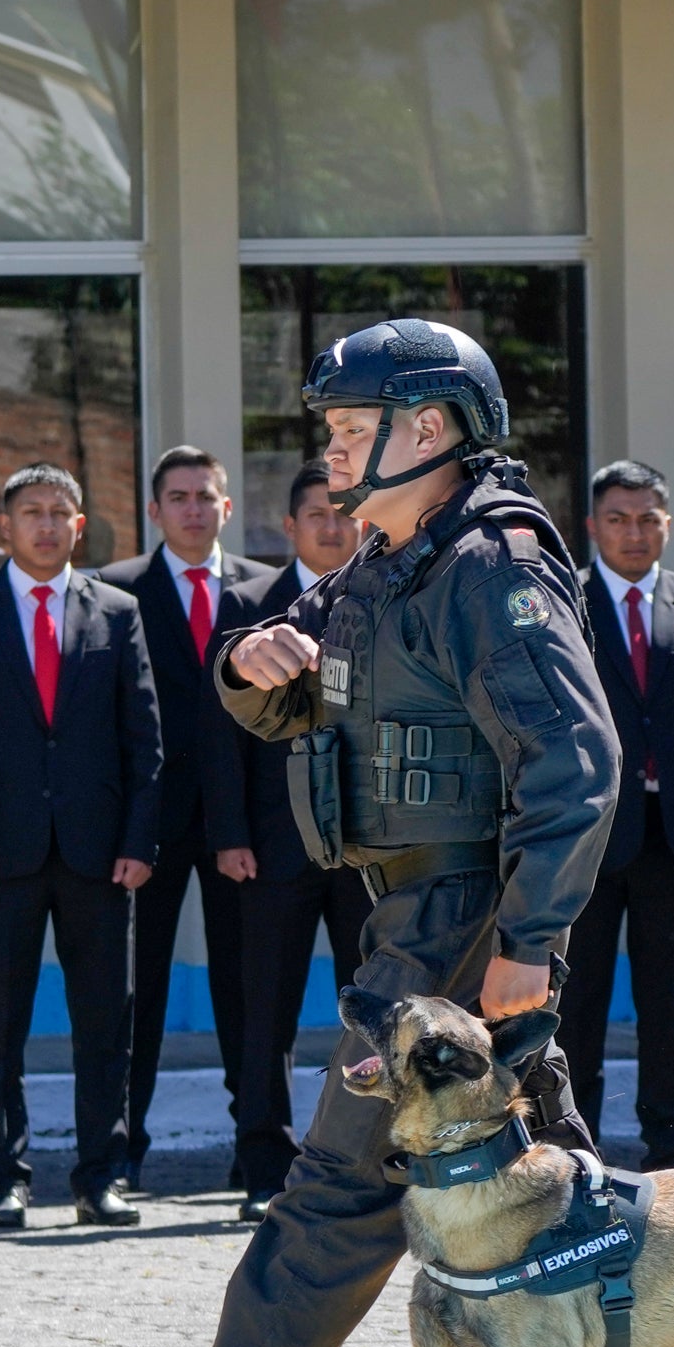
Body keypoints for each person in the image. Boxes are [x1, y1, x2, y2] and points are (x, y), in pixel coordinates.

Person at [33, 319, 674, 1347]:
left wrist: (525, 943)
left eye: (354, 427)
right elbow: (304, 685)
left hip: (452, 938)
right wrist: (251, 659)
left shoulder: (488, 566)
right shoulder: (389, 559)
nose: (332, 447)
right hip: (421, 922)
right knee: (565, 1210)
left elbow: (576, 761)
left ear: (434, 429)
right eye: (332, 428)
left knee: (330, 1208)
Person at [0, 464, 163, 1230]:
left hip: (100, 853)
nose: (48, 525)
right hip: (0, 855)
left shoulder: (118, 611)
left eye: (62, 512)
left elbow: (144, 740)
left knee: (106, 1024)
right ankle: (4, 1176)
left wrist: (139, 840)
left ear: (81, 525)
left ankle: (101, 1176)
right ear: (5, 525)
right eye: (33, 512)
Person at [557, 461, 674, 1167]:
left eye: (647, 519)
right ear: (592, 527)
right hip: (586, 840)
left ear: (669, 525)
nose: (633, 533)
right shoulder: (562, 602)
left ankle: (670, 1147)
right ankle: (573, 1147)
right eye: (618, 518)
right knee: (577, 1008)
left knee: (673, 1010)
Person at [99, 448, 271, 1195]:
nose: (194, 508)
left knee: (246, 988)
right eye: (179, 497)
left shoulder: (266, 592)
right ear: (155, 510)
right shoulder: (116, 591)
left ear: (226, 507)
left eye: (206, 495)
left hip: (243, 827)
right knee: (137, 991)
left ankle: (254, 1143)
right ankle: (122, 1145)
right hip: (148, 825)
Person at [229, 469, 373, 1222]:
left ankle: (367, 1154)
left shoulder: (384, 594)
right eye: (316, 515)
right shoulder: (249, 606)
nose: (331, 527)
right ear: (289, 526)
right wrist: (230, 835)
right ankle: (263, 1158)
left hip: (366, 845)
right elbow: (217, 737)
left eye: (342, 513)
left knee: (374, 1010)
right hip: (274, 849)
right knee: (268, 1011)